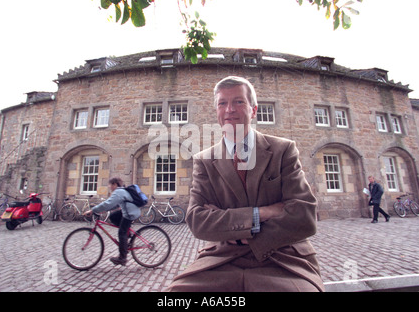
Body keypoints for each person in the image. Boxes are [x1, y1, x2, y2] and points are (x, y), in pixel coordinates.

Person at [167, 76, 324, 292]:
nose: (230, 109)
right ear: (217, 111)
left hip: (283, 258)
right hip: (222, 260)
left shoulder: (283, 150)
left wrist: (235, 230)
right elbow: (197, 220)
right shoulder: (204, 160)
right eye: (223, 103)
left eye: (239, 102)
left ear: (253, 110)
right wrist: (265, 212)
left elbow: (305, 215)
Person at [84, 177, 140, 266]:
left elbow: (107, 203)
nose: (109, 187)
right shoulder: (121, 191)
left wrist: (93, 210)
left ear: (115, 184)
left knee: (121, 232)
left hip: (130, 214)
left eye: (110, 185)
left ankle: (122, 258)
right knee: (113, 216)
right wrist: (104, 210)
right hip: (129, 211)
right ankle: (127, 234)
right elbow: (115, 204)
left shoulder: (118, 192)